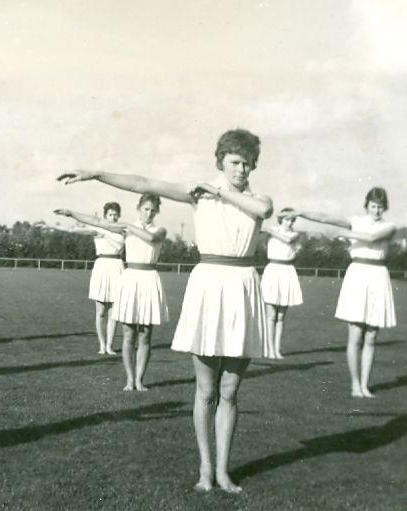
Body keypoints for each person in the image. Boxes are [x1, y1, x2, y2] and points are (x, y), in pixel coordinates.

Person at [58, 128, 273, 493]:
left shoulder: (255, 197)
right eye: (236, 162)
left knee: (232, 390)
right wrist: (96, 173)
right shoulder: (197, 193)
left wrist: (220, 191)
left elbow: (263, 209)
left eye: (248, 163)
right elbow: (145, 182)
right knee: (206, 391)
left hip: (243, 287)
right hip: (209, 285)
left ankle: (224, 471)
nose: (242, 169)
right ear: (221, 160)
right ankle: (206, 469)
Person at [54, 194, 167, 391]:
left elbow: (150, 238)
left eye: (153, 210)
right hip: (130, 278)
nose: (149, 213)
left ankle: (140, 380)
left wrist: (128, 227)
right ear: (139, 208)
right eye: (146, 209)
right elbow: (98, 221)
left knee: (145, 335)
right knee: (128, 334)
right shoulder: (125, 227)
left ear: (157, 211)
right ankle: (130, 380)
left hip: (149, 279)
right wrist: (72, 214)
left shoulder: (159, 229)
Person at [292, 187, 396, 398]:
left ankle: (365, 386)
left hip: (378, 276)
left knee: (372, 336)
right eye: (373, 206)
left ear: (384, 208)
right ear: (367, 205)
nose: (376, 210)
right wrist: (300, 212)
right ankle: (355, 385)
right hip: (358, 275)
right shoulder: (356, 220)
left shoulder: (389, 226)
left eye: (380, 207)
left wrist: (342, 233)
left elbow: (372, 237)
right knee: (355, 334)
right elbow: (325, 217)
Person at [39, 202, 125, 355]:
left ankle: (110, 346)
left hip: (117, 267)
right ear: (105, 216)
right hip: (102, 267)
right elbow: (74, 229)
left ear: (119, 216)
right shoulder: (97, 229)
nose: (113, 217)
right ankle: (102, 345)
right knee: (101, 311)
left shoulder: (122, 231)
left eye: (115, 214)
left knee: (114, 312)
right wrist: (54, 226)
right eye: (110, 214)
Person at [260, 207, 304, 359]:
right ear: (281, 219)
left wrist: (269, 230)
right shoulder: (272, 229)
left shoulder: (294, 234)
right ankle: (268, 349)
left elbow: (288, 239)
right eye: (287, 219)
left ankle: (277, 349)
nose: (290, 222)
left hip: (287, 271)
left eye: (292, 220)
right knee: (271, 314)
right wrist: (268, 228)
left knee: (280, 316)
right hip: (273, 270)